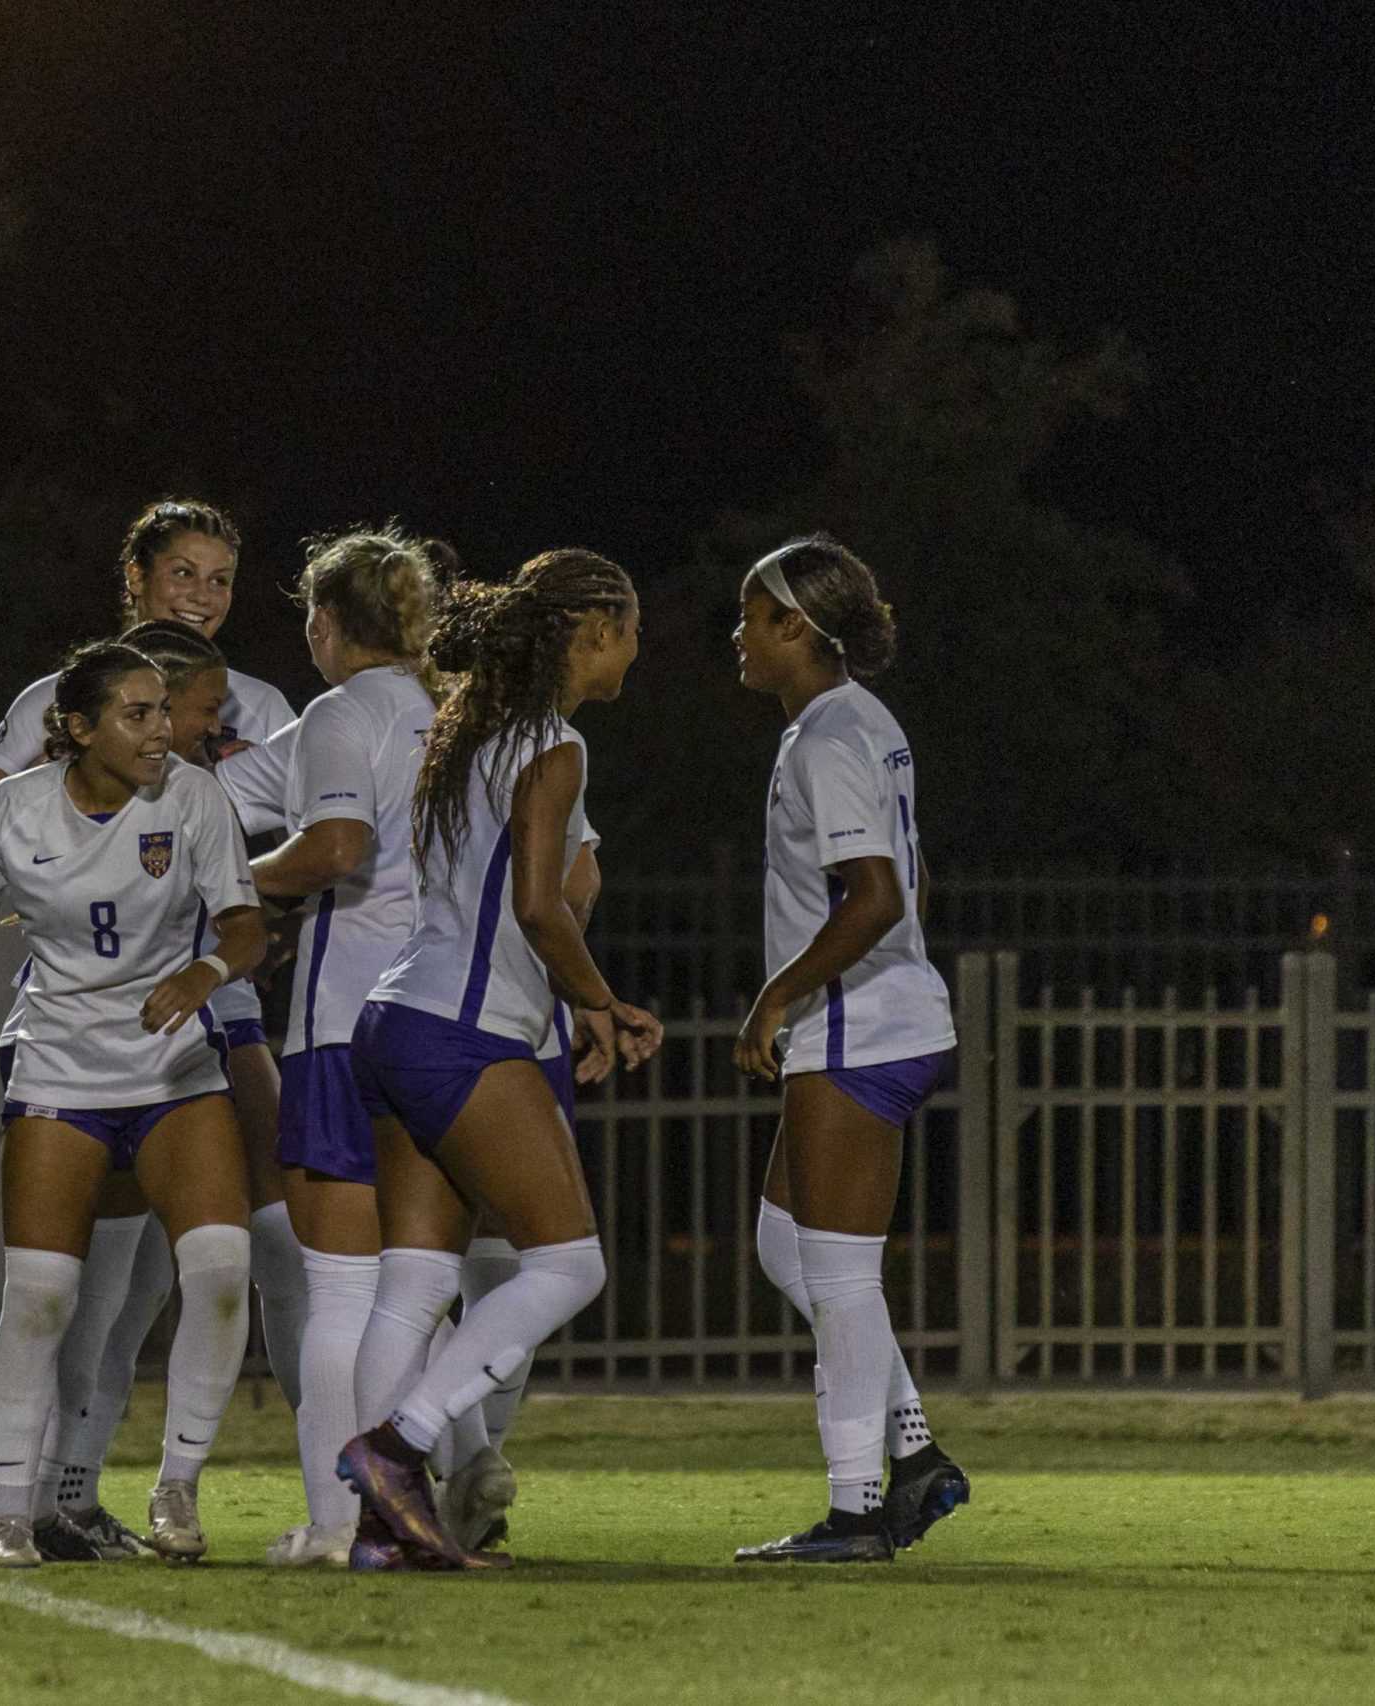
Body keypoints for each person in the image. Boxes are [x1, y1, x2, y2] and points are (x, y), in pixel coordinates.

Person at [0, 500, 308, 1557]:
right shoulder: (60, 722)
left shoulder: (252, 720)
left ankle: (305, 1473)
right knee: (72, 1287)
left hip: (202, 1008)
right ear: (134, 577)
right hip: (73, 1027)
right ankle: (44, 1494)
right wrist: (43, 845)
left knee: (253, 1247)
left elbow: (283, 868)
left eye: (221, 578)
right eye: (181, 571)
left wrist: (213, 930)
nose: (200, 592)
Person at [336, 548, 663, 1571]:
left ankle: (379, 1531)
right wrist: (601, 998)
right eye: (634, 625)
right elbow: (539, 903)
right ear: (596, 626)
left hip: (393, 1016)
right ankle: (397, 1447)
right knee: (570, 1261)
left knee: (412, 1283)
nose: (638, 649)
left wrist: (584, 1003)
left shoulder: (461, 728)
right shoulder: (552, 743)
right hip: (462, 1032)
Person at [726, 534, 969, 1565]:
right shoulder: (864, 721)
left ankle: (858, 1509)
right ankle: (911, 1451)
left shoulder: (826, 734)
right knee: (790, 1248)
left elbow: (873, 896)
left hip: (856, 1028)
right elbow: (912, 886)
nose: (736, 635)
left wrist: (773, 998)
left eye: (749, 615)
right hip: (885, 1017)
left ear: (796, 626)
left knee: (836, 1275)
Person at [237, 528, 442, 1566]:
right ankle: (410, 1513)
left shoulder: (338, 710)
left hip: (342, 1020)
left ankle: (334, 1523)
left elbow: (333, 846)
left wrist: (231, 886)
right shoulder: (454, 713)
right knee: (413, 1288)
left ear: (324, 623)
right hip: (441, 1022)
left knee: (340, 1289)